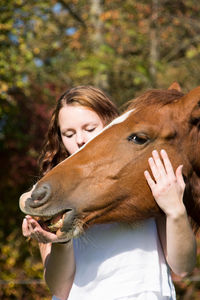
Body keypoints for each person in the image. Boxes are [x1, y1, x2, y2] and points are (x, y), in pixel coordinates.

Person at [22, 86, 196, 300]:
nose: (80, 139)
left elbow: (182, 267)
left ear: (112, 124)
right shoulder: (55, 194)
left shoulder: (147, 181)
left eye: (90, 127)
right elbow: (60, 289)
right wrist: (60, 240)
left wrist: (175, 211)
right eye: (69, 133)